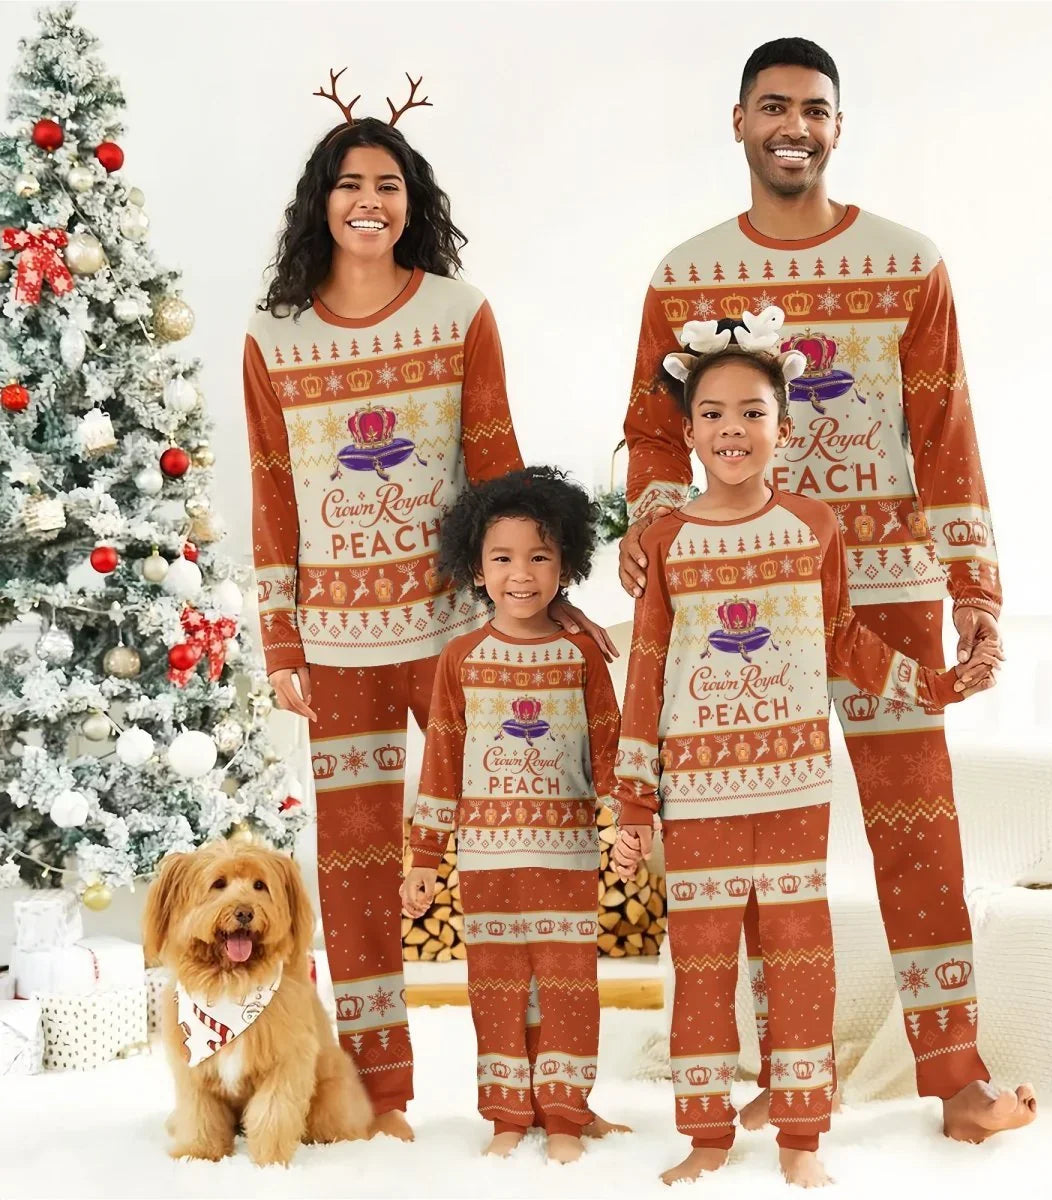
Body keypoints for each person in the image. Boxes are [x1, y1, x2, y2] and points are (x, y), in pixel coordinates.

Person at [618, 36, 1037, 1143]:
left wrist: (975, 584)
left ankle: (956, 1076)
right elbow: (654, 436)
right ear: (741, 121)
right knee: (759, 844)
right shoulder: (684, 273)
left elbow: (943, 427)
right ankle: (782, 1074)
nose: (793, 125)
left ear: (837, 127)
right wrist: (652, 535)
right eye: (773, 107)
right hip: (735, 614)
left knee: (919, 834)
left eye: (813, 109)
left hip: (890, 589)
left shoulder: (909, 261)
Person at [243, 92, 614, 1139]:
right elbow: (273, 495)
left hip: (463, 635)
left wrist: (546, 611)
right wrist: (280, 638)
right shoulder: (273, 338)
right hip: (337, 646)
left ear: (412, 206)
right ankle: (378, 1095)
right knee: (356, 872)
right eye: (350, 184)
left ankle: (546, 1089)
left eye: (388, 186)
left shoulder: (458, 313)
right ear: (322, 203)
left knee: (520, 845)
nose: (368, 201)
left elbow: (496, 472)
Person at [612, 342, 997, 1186]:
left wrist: (932, 685)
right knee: (702, 964)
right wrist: (634, 802)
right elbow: (647, 671)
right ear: (687, 433)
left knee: (799, 960)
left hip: (794, 787)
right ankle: (707, 1137)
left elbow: (841, 642)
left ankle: (800, 1138)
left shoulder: (813, 526)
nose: (732, 430)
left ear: (783, 429)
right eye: (711, 415)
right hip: (699, 792)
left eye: (752, 413)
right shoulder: (667, 542)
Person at [402, 467, 624, 1164]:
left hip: (566, 856)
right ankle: (506, 1111)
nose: (521, 574)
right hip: (488, 859)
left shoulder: (583, 653)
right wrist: (426, 859)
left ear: (567, 564)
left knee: (568, 983)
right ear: (476, 566)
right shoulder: (460, 659)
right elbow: (440, 763)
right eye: (503, 557)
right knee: (495, 985)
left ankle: (564, 1112)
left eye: (540, 556)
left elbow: (611, 747)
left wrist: (626, 824)